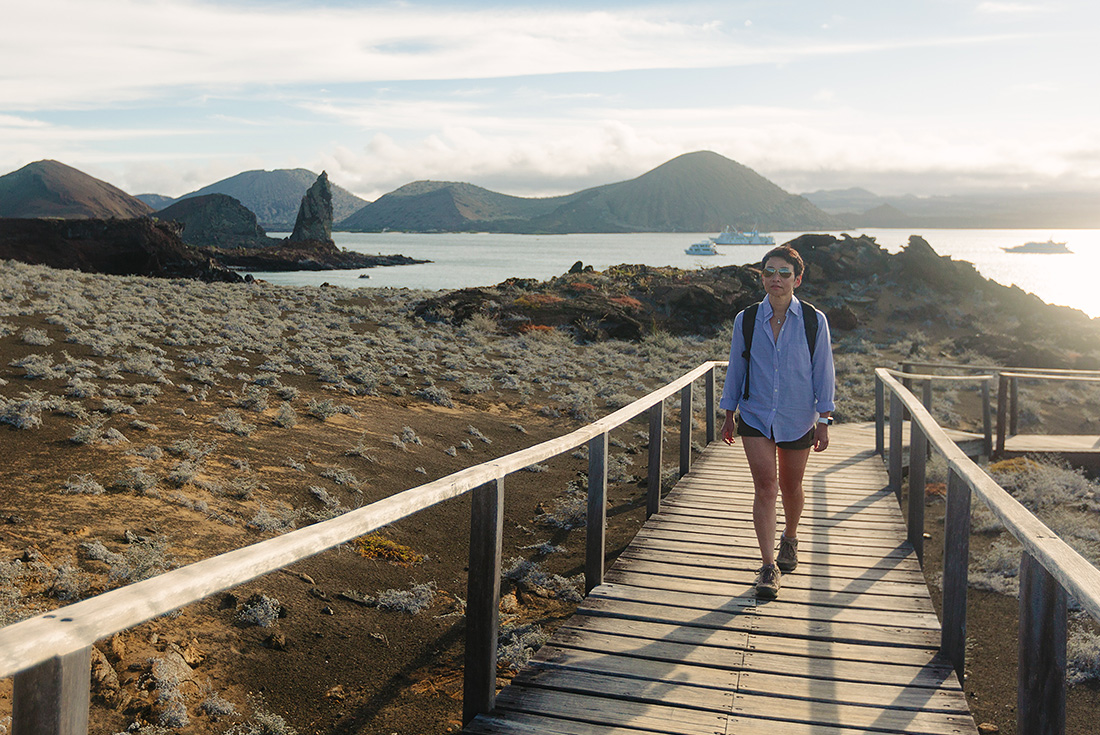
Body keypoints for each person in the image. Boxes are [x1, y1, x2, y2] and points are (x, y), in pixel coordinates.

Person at [719, 245, 836, 599]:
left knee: (791, 485)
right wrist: (728, 411)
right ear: (762, 277)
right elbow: (737, 366)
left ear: (797, 279)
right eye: (769, 271)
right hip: (755, 413)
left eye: (784, 272)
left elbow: (823, 370)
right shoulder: (747, 319)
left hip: (799, 415)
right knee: (766, 487)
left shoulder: (815, 320)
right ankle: (768, 566)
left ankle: (791, 537)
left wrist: (824, 418)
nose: (776, 278)